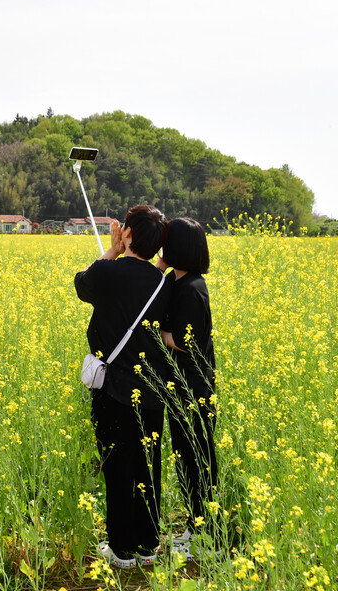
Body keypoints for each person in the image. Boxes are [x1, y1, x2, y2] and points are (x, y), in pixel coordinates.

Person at [74, 205, 170, 568]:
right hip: (152, 389)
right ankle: (147, 545)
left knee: (117, 467)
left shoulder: (108, 272)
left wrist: (111, 250)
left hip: (113, 390)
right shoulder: (164, 282)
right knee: (148, 464)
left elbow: (81, 284)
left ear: (126, 233)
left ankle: (121, 549)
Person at [155, 217, 219, 559]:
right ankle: (198, 529)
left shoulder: (193, 287)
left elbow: (187, 341)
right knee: (186, 460)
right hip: (180, 388)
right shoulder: (177, 281)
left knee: (198, 461)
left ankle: (206, 538)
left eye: (166, 242)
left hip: (193, 390)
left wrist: (160, 335)